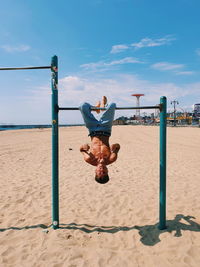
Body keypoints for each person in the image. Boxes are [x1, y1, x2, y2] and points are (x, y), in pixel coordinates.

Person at [79, 96, 120, 184]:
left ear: (95, 171)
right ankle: (102, 106)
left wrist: (84, 147)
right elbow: (118, 147)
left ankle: (97, 108)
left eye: (99, 172)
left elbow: (81, 149)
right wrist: (115, 146)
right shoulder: (111, 158)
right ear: (107, 171)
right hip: (106, 128)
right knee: (112, 105)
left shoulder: (89, 159)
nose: (102, 170)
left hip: (92, 129)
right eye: (104, 172)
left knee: (83, 106)